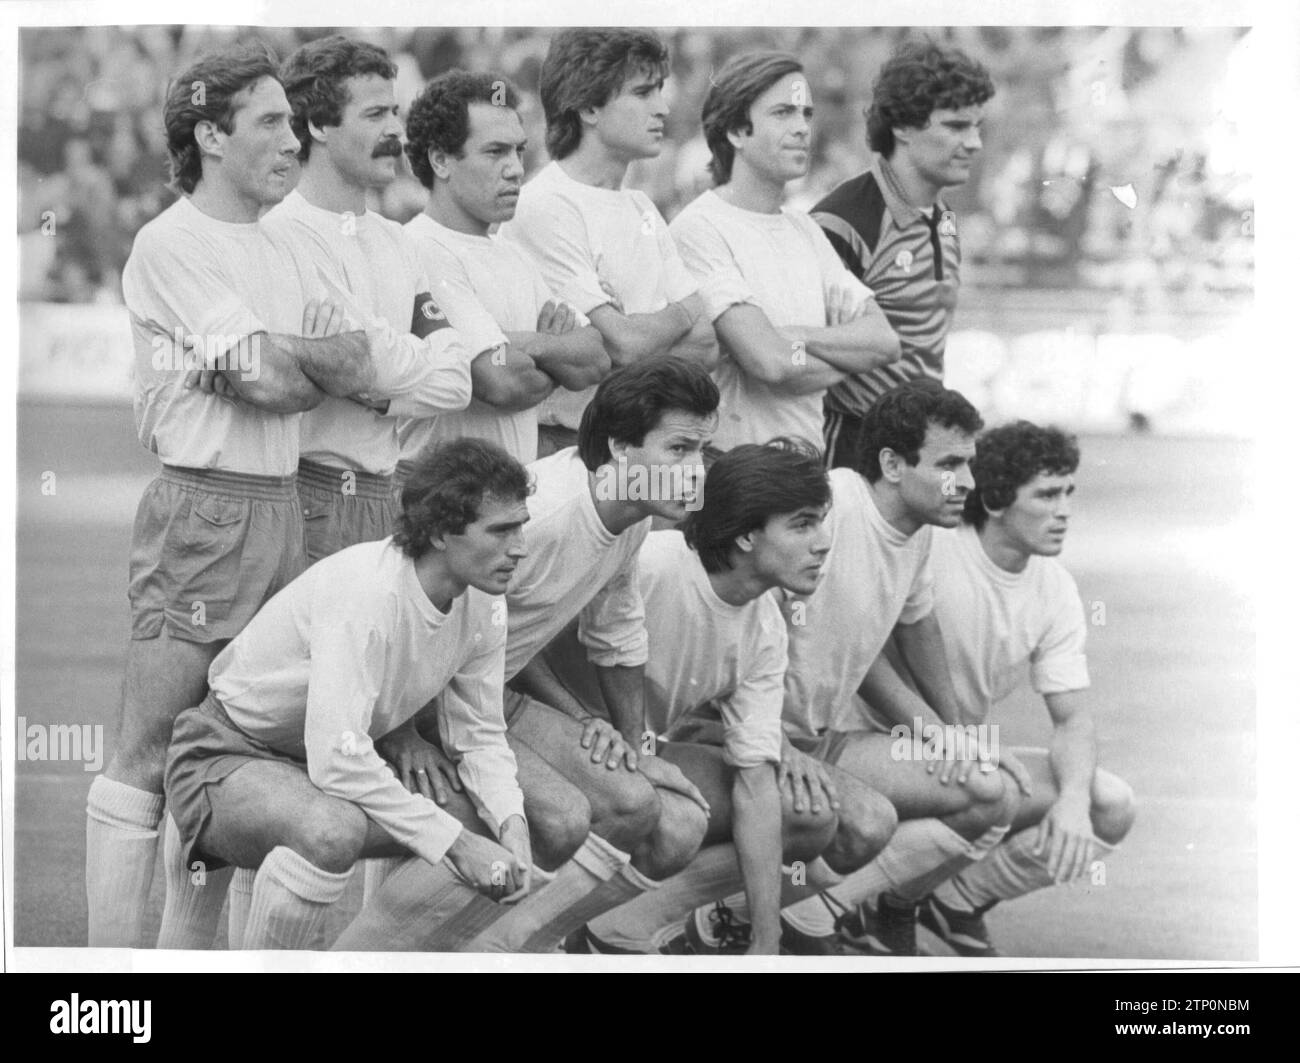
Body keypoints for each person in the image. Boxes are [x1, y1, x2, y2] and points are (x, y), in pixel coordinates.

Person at [86, 40, 375, 948]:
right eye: (272, 122)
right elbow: (282, 381)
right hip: (205, 505)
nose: (295, 139)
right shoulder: (170, 242)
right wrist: (288, 362)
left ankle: (185, 960)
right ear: (210, 135)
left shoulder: (290, 239)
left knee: (240, 748)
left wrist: (281, 360)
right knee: (148, 743)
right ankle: (103, 977)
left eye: (294, 121)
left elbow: (353, 363)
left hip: (285, 501)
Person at [338, 358, 720, 953]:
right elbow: (410, 602)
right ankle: (377, 954)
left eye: (703, 450)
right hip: (417, 694)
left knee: (645, 806)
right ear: (621, 448)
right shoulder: (539, 516)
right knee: (563, 818)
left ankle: (498, 948)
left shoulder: (633, 515)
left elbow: (614, 636)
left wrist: (631, 743)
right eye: (679, 450)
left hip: (487, 691)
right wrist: (401, 731)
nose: (696, 472)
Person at [162, 438, 532, 950]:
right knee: (333, 830)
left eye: (521, 527)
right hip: (226, 753)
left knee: (484, 818)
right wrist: (455, 843)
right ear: (444, 531)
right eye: (501, 530)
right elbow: (337, 759)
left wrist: (512, 827)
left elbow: (480, 735)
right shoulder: (368, 591)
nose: (519, 547)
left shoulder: (485, 604)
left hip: (313, 763)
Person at [550, 440, 896, 954]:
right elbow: (525, 646)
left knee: (807, 812)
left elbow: (755, 789)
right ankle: (552, 936)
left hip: (637, 753)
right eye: (802, 525)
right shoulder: (655, 566)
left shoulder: (766, 628)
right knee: (656, 812)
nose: (823, 543)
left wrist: (766, 939)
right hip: (554, 735)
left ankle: (626, 928)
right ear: (746, 535)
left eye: (822, 522)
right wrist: (575, 717)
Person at [768, 379, 1027, 955]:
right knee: (867, 821)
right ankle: (739, 915)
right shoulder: (828, 509)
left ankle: (822, 910)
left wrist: (956, 735)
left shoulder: (916, 535)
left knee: (990, 791)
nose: (968, 483)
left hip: (820, 738)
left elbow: (907, 631)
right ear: (891, 462)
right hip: (751, 741)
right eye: (950, 464)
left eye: (970, 464)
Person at [916, 421, 1136, 956]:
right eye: (1046, 494)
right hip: (891, 746)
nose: (1064, 510)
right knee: (994, 788)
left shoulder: (1055, 587)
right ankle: (863, 908)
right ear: (993, 500)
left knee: (1110, 804)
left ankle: (956, 901)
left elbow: (1073, 719)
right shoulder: (935, 553)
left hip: (962, 760)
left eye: (1068, 493)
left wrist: (1073, 803)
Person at [269, 35, 474, 564]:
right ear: (317, 125)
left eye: (396, 112)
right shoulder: (282, 234)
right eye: (375, 114)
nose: (395, 131)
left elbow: (456, 380)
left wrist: (379, 391)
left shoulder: (396, 240)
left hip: (386, 493)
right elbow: (364, 360)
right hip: (314, 495)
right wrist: (386, 366)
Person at [499, 28, 717, 456]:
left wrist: (636, 329)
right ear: (588, 107)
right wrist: (681, 311)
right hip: (566, 447)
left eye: (659, 90)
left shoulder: (640, 207)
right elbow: (621, 345)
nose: (663, 107)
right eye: (642, 92)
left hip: (640, 448)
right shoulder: (545, 204)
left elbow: (707, 345)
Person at [670, 51, 899, 454]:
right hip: (733, 472)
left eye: (806, 115)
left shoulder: (804, 229)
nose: (802, 129)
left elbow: (883, 342)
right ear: (738, 132)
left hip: (805, 469)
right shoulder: (699, 227)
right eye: (783, 113)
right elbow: (769, 363)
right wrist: (846, 357)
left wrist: (795, 337)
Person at [400, 69, 609, 470]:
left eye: (518, 151)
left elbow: (596, 359)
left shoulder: (511, 254)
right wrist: (551, 354)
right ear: (441, 160)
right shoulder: (420, 248)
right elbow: (501, 382)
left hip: (509, 493)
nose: (515, 168)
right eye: (495, 152)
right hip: (444, 500)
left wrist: (525, 344)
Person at [812, 39, 995, 467]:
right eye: (955, 126)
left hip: (925, 451)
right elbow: (801, 352)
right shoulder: (842, 222)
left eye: (977, 127)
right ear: (903, 127)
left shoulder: (946, 219)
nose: (975, 143)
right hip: (852, 451)